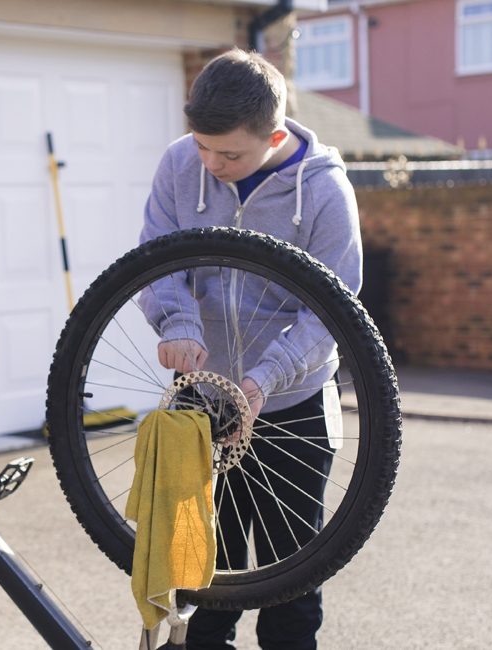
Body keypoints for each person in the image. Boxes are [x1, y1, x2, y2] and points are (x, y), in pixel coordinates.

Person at [139, 49, 362, 650]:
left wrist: (266, 378)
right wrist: (178, 322)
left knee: (292, 587)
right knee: (203, 577)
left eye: (229, 154)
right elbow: (156, 259)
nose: (210, 164)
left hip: (293, 402)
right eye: (202, 146)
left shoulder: (324, 193)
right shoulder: (180, 164)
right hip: (205, 401)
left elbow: (334, 309)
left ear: (276, 135)